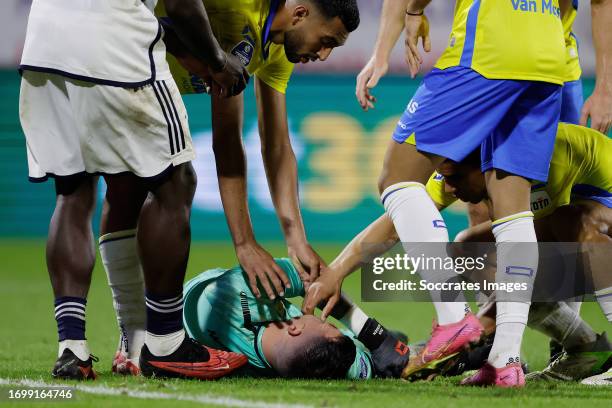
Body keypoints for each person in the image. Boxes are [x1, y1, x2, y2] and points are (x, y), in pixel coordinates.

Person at [314, 0, 569, 388]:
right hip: (550, 54)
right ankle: (506, 360)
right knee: (513, 211)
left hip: (491, 46)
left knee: (397, 178)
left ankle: (452, 320)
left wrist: (404, 25)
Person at [107, 0, 361, 374]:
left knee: (144, 188)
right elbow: (226, 140)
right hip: (118, 57)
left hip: (142, 74)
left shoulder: (277, 47)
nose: (323, 55)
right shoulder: (239, 13)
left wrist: (296, 239)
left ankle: (125, 342)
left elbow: (275, 144)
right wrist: (244, 243)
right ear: (301, 13)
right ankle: (135, 338)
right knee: (162, 185)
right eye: (326, 41)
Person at [19, 0, 250, 380]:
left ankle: (71, 347)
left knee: (73, 192)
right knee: (174, 181)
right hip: (113, 39)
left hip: (42, 41)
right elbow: (180, 4)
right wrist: (218, 61)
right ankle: (165, 342)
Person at [182, 257, 410, 379]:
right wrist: (377, 340)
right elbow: (365, 368)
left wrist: (373, 338)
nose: (325, 318)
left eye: (327, 324)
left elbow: (309, 272)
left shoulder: (237, 292)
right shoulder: (319, 364)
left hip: (197, 301)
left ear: (295, 329)